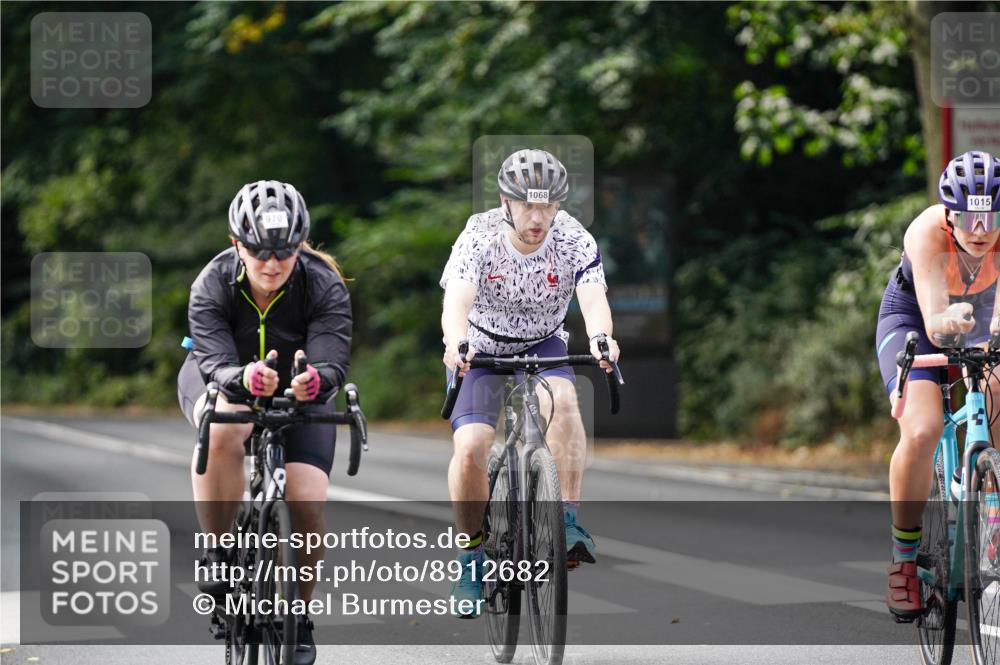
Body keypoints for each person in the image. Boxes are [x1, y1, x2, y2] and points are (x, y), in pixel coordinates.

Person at [439, 148, 621, 618]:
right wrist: (456, 343)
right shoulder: (478, 236)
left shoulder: (574, 239)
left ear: (559, 204)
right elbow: (456, 302)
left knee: (565, 400)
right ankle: (470, 558)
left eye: (548, 206)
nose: (538, 218)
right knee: (471, 447)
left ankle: (568, 520)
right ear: (506, 201)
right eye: (527, 205)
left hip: (543, 344)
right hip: (481, 348)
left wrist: (601, 338)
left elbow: (593, 299)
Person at [177, 180, 351, 664]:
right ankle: (217, 551)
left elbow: (332, 358)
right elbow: (214, 362)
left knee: (306, 501)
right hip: (222, 375)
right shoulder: (212, 282)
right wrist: (243, 377)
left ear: (300, 245)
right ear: (237, 244)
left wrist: (314, 380)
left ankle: (298, 616)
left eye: (285, 252)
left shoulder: (323, 282)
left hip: (299, 390)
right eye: (258, 252)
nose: (271, 264)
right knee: (224, 428)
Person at [875, 150, 1000, 621]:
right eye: (968, 217)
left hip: (980, 315)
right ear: (949, 213)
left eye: (991, 217)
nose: (980, 230)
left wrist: (989, 331)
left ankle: (987, 506)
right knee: (923, 428)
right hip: (915, 318)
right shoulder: (926, 233)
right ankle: (903, 562)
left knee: (997, 393)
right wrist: (953, 320)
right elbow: (935, 320)